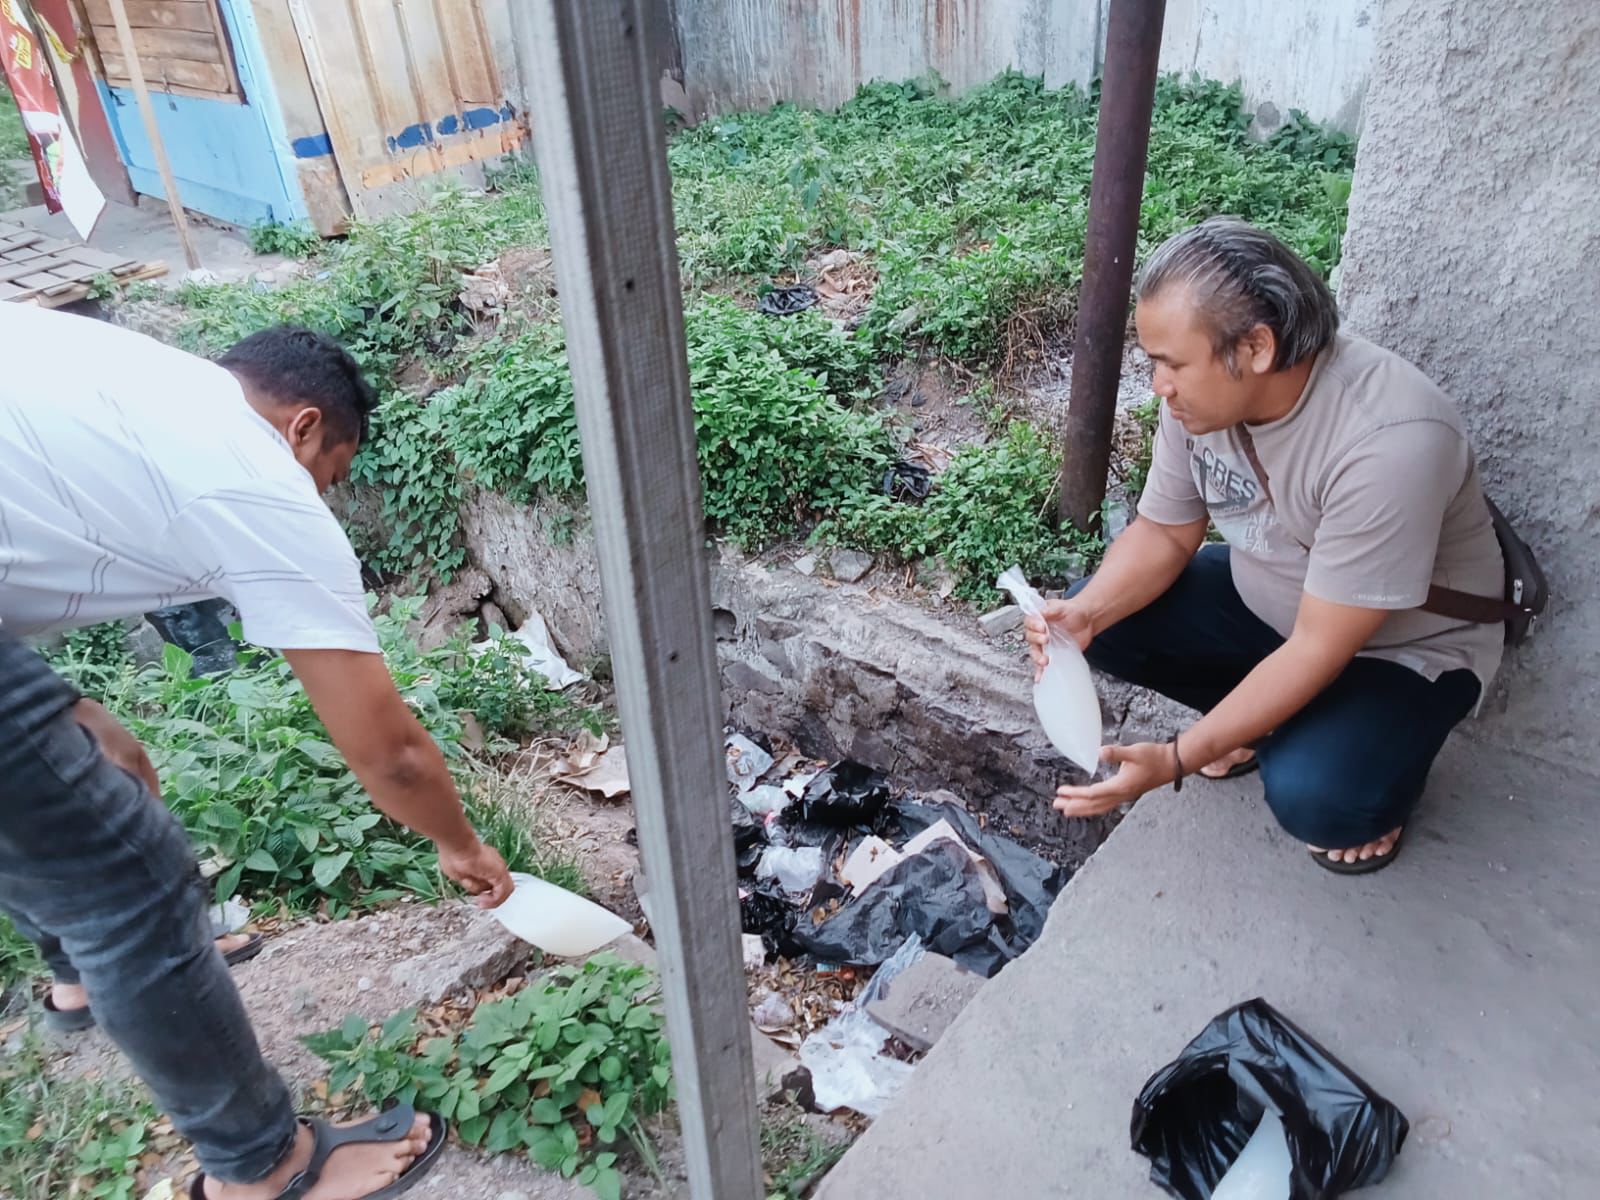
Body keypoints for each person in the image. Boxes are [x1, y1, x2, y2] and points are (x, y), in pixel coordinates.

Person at [0, 305, 514, 1199]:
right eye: (330, 474)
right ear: (303, 426)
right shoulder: (255, 477)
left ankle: (81, 981)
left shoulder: (151, 386)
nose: (317, 495)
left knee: (66, 798)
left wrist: (70, 703)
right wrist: (461, 844)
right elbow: (389, 753)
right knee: (132, 880)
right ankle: (265, 1171)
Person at [1026, 217, 1504, 874]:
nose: (1158, 387)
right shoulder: (1198, 404)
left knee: (1319, 799)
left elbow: (1319, 645)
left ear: (1254, 346)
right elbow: (1165, 532)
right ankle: (1263, 725)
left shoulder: (1390, 439)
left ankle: (1363, 770)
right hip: (1280, 603)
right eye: (1152, 362)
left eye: (1172, 364)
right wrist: (1086, 615)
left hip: (1402, 649)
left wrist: (1177, 757)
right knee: (1099, 618)